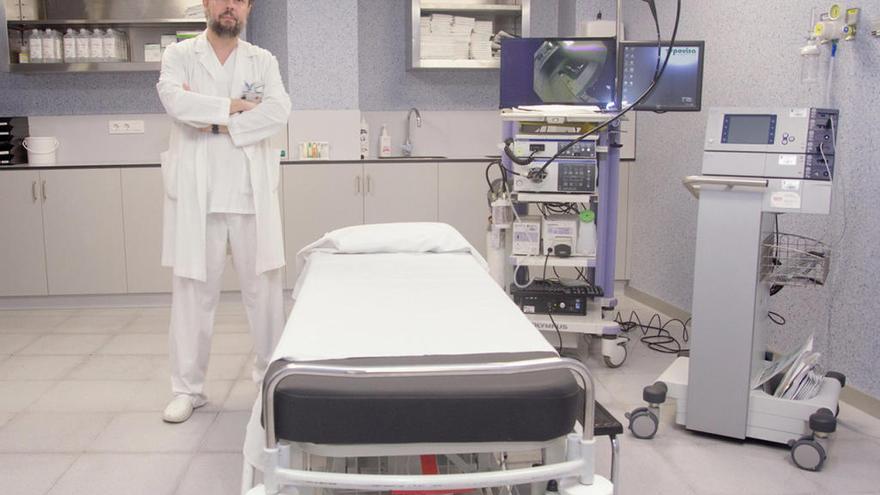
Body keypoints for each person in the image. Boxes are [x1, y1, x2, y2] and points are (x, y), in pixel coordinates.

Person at [156, 0, 291, 423]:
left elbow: (278, 112)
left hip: (251, 197)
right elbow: (175, 101)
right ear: (206, 4)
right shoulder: (180, 55)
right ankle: (187, 390)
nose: (229, 6)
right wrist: (236, 108)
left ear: (247, 8)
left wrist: (211, 118)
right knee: (193, 295)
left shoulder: (262, 60)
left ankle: (270, 381)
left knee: (265, 293)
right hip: (199, 196)